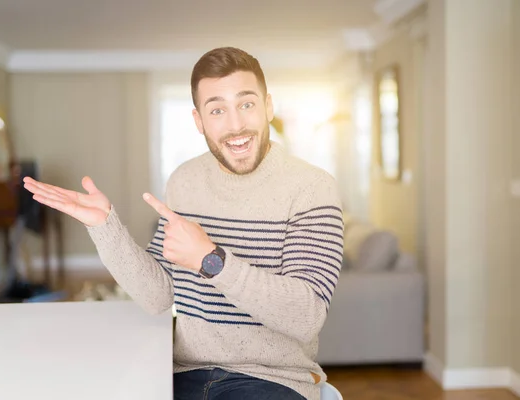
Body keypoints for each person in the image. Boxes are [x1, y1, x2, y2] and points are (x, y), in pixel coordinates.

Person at [23, 47, 344, 400]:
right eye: (217, 110)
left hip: (270, 381)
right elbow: (158, 295)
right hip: (183, 375)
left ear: (268, 106)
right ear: (198, 121)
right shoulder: (184, 181)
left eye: (247, 104)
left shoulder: (312, 187)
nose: (235, 125)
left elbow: (306, 316)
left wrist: (211, 259)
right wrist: (104, 226)